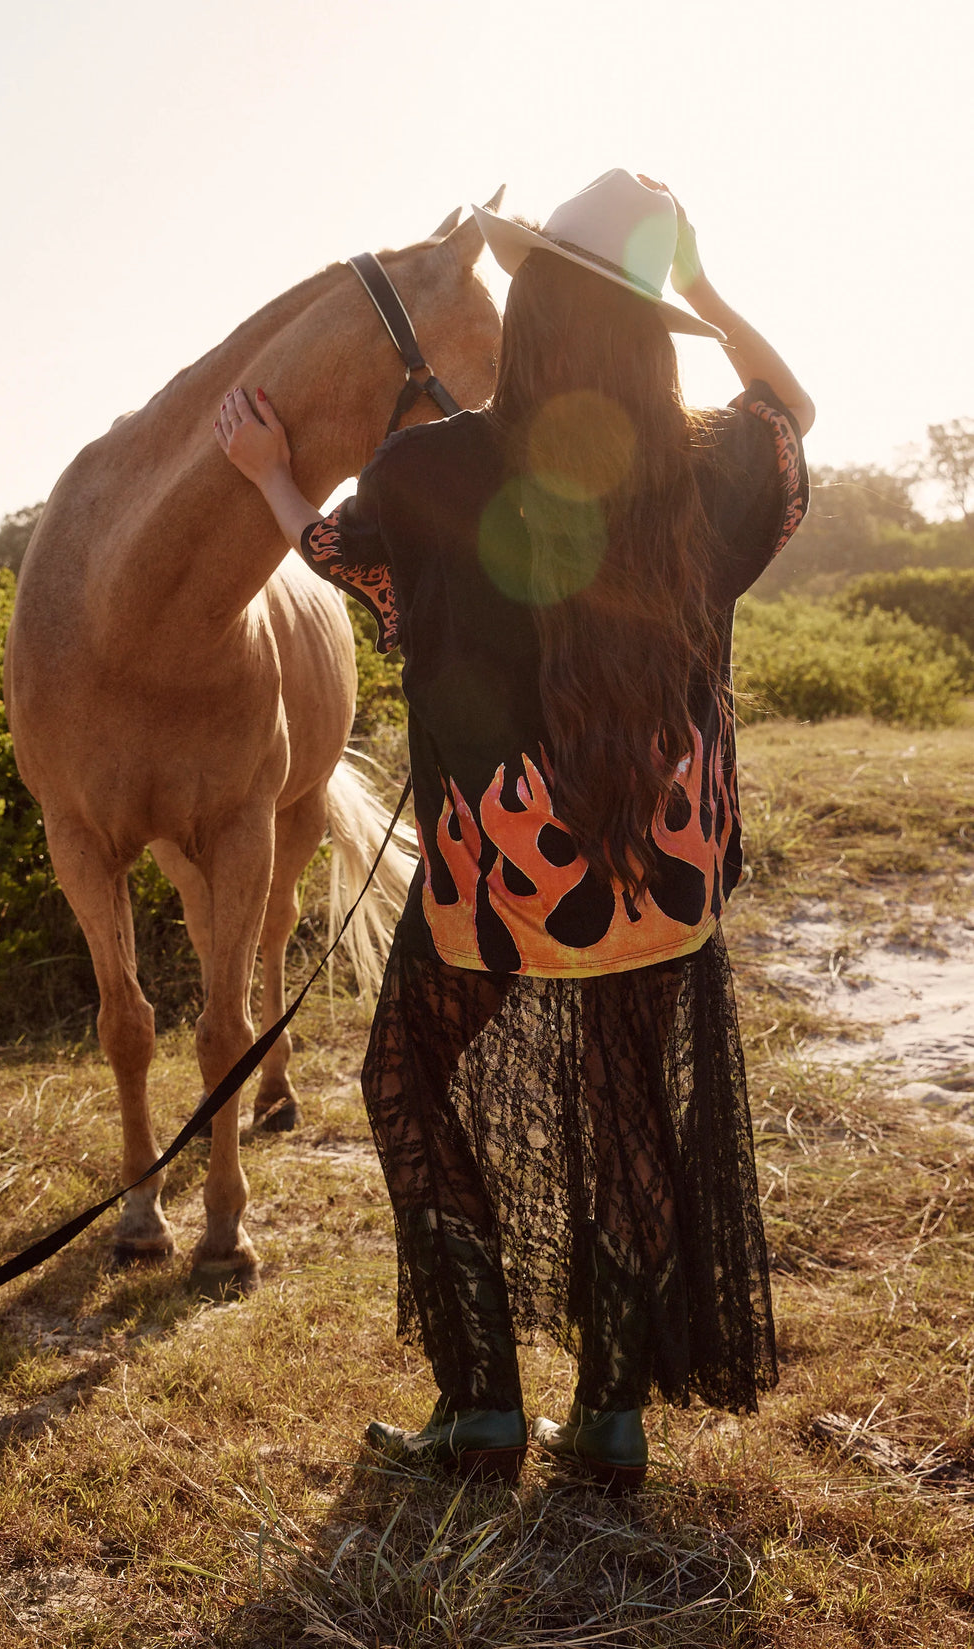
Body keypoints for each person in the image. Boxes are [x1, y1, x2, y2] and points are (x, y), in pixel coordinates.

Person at [214, 169, 812, 1490]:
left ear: (530, 303)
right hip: (662, 871)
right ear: (651, 333)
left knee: (404, 1078)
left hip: (503, 874)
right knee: (631, 1105)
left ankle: (482, 1403)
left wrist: (264, 473)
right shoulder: (706, 458)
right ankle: (609, 1418)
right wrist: (704, 288)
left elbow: (344, 559)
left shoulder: (431, 464)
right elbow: (791, 413)